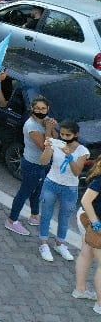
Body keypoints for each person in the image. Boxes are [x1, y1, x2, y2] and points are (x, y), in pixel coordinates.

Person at [37, 121, 89, 262]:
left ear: (76, 135)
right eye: (62, 134)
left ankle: (60, 243)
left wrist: (69, 156)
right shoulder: (56, 144)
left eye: (68, 135)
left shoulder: (82, 151)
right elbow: (43, 162)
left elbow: (77, 171)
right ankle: (43, 244)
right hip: (51, 183)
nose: (65, 137)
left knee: (65, 217)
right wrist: (48, 149)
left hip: (70, 188)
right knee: (46, 214)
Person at [6, 96, 56, 236]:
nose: (41, 111)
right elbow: (44, 147)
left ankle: (34, 216)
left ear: (48, 109)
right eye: (38, 108)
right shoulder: (31, 126)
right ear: (32, 109)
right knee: (24, 193)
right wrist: (48, 129)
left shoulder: (45, 121)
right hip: (32, 165)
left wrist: (51, 127)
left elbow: (56, 138)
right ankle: (12, 220)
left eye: (43, 108)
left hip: (43, 164)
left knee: (37, 192)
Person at [74, 161, 101, 311]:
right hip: (93, 222)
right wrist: (96, 224)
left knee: (86, 254)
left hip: (87, 220)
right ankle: (100, 305)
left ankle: (80, 290)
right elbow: (86, 200)